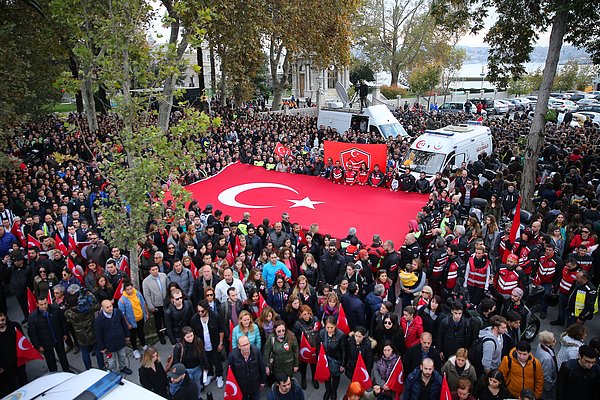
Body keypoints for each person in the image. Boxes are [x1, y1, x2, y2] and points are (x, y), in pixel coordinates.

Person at [64, 284, 103, 370]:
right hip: (92, 331)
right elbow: (97, 306)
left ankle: (88, 369)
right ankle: (101, 366)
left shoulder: (68, 313)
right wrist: (91, 296)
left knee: (85, 352)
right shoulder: (88, 308)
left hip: (80, 334)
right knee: (97, 349)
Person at [27, 297, 71, 373]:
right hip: (45, 342)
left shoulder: (55, 309)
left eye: (45, 303)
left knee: (63, 356)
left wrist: (65, 333)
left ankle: (67, 371)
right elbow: (32, 333)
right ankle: (54, 374)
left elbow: (62, 321)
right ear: (37, 304)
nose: (44, 306)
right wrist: (38, 346)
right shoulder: (33, 317)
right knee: (50, 361)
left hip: (57, 337)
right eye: (41, 304)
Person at [190, 300, 225, 388]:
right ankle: (210, 374)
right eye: (198, 311)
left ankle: (219, 375)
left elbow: (221, 330)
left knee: (217, 360)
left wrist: (220, 343)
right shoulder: (194, 319)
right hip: (202, 345)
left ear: (207, 309)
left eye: (202, 311)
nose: (200, 313)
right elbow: (193, 333)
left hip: (214, 343)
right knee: (206, 360)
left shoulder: (215, 316)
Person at [94, 299, 132, 375]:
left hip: (120, 340)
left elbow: (123, 324)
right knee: (111, 360)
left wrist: (127, 335)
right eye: (107, 307)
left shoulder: (117, 312)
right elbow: (98, 335)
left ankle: (123, 367)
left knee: (122, 355)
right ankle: (113, 372)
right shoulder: (98, 320)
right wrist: (102, 347)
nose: (110, 308)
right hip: (109, 344)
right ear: (103, 308)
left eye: (111, 306)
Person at [172, 326, 209, 394]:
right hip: (186, 370)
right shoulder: (179, 347)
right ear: (183, 337)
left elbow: (203, 354)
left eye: (191, 335)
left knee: (197, 384)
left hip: (197, 368)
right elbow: (176, 362)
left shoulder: (198, 341)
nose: (190, 338)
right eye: (188, 337)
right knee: (190, 387)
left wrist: (206, 366)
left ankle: (198, 397)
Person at [228, 335, 267, 400]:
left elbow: (262, 367)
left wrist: (263, 381)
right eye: (243, 345)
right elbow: (230, 373)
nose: (246, 347)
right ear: (239, 346)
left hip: (255, 387)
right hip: (241, 389)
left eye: (247, 344)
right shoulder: (232, 356)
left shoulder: (256, 352)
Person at [118, 279, 149, 359]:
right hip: (131, 321)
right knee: (133, 336)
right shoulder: (122, 300)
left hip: (140, 317)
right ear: (125, 290)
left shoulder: (137, 293)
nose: (130, 291)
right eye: (127, 289)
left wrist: (146, 313)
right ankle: (135, 349)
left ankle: (144, 345)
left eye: (131, 288)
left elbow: (143, 303)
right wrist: (127, 324)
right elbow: (123, 314)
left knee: (141, 332)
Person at [318, 316, 346, 400]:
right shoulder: (322, 333)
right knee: (326, 376)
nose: (329, 329)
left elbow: (344, 350)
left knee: (335, 377)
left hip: (336, 359)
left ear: (335, 326)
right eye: (327, 327)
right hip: (325, 359)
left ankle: (334, 391)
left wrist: (343, 364)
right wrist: (318, 360)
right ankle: (328, 390)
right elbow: (319, 347)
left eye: (331, 327)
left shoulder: (340, 335)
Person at [0, 311, 27, 397]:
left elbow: (23, 341)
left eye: (2, 320)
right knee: (12, 385)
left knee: (23, 380)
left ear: (6, 317)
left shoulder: (14, 326)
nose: (1, 323)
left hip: (19, 359)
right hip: (5, 365)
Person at [142, 264, 168, 344]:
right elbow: (147, 295)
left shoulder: (163, 276)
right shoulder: (146, 281)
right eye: (153, 270)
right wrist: (151, 306)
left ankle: (167, 332)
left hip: (165, 303)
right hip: (156, 305)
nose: (155, 271)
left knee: (166, 319)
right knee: (158, 322)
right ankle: (161, 336)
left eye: (156, 269)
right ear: (150, 271)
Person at [534, 330, 558, 400]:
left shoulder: (540, 345)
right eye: (553, 341)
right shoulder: (547, 358)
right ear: (547, 343)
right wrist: (549, 386)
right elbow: (546, 374)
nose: (555, 341)